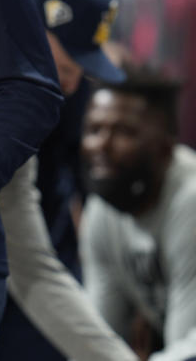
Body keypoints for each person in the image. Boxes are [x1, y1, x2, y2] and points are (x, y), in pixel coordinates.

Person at [0, 0, 134, 361]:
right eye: (63, 65)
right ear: (23, 25)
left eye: (81, 70)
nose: (72, 85)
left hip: (41, 261)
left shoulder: (67, 93)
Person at [80, 68, 196, 360]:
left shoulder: (190, 200)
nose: (102, 146)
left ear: (165, 148)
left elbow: (188, 350)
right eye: (94, 129)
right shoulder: (101, 210)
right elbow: (101, 341)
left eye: (124, 132)